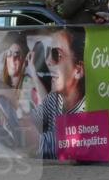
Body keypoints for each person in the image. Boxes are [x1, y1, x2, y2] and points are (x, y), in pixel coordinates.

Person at [20, 28, 86, 160]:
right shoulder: (54, 98)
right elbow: (27, 122)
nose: (48, 61)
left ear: (78, 70)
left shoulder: (87, 110)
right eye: (48, 53)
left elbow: (38, 145)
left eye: (56, 55)